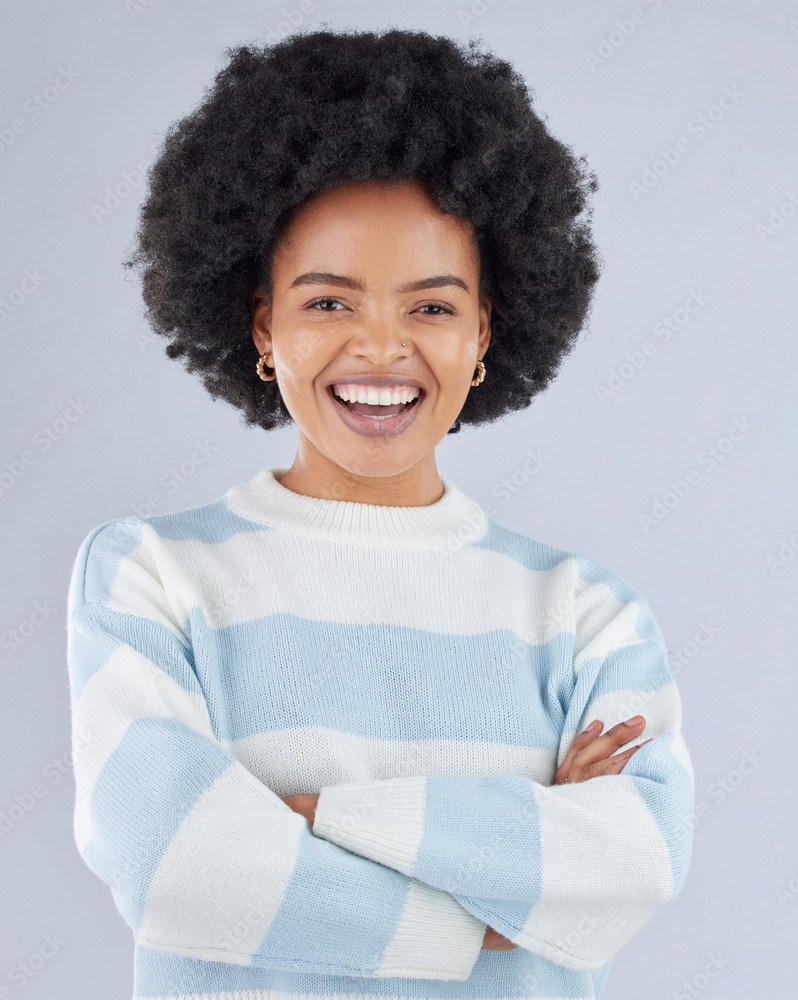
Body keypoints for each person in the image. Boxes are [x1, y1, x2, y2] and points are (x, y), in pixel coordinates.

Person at [65, 27, 695, 1000]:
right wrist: (506, 894)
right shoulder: (148, 574)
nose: (381, 347)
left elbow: (637, 860)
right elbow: (174, 862)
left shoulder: (586, 614)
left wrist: (307, 817)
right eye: (328, 302)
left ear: (487, 329)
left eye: (433, 308)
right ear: (262, 324)